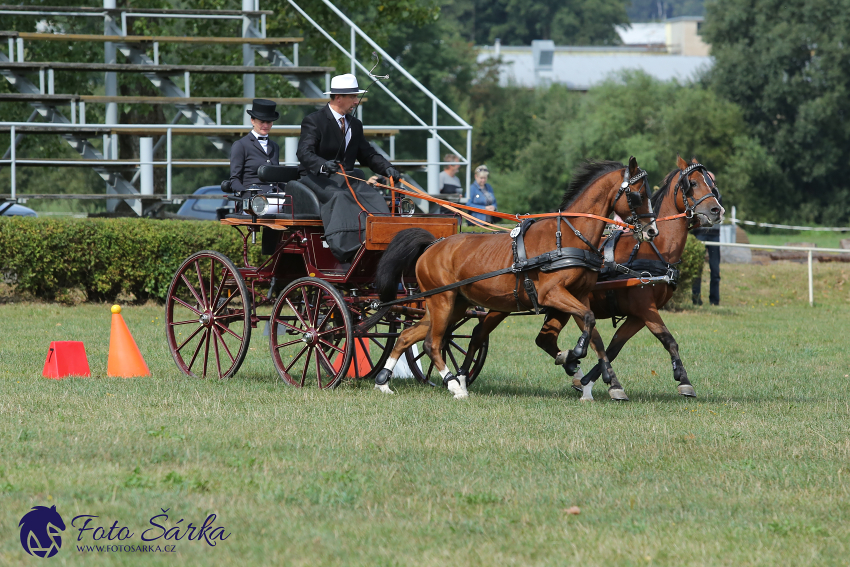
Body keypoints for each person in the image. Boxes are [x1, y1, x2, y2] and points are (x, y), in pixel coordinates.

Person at [296, 74, 402, 261]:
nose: (356, 101)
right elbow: (304, 152)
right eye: (353, 97)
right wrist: (322, 164)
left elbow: (368, 154)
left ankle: (384, 239)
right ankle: (345, 245)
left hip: (346, 178)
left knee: (372, 196)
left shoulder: (354, 124)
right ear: (338, 98)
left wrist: (387, 168)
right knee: (339, 196)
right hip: (316, 178)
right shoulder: (314, 121)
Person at [228, 99, 281, 194]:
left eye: (269, 122)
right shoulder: (241, 145)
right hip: (254, 199)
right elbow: (235, 179)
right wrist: (246, 195)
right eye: (262, 122)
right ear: (252, 121)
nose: (265, 125)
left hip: (275, 196)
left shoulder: (274, 146)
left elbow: (277, 178)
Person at [692, 171, 722, 306]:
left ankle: (714, 300)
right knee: (697, 269)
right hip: (700, 233)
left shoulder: (716, 195)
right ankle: (696, 299)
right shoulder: (699, 194)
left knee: (715, 270)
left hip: (714, 235)